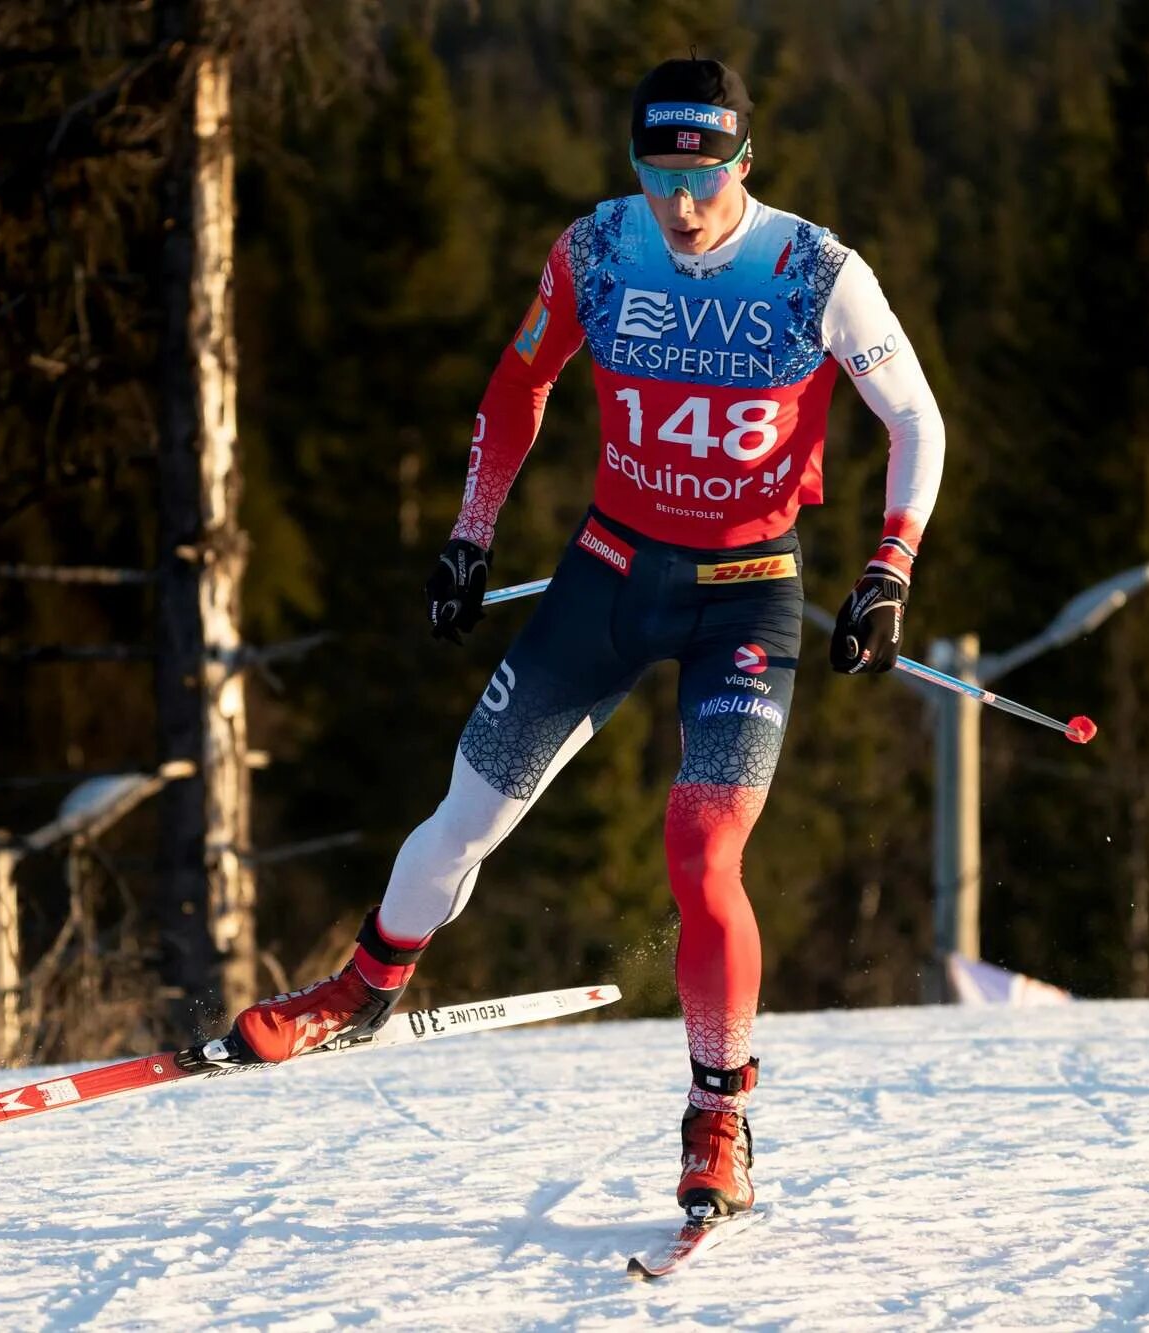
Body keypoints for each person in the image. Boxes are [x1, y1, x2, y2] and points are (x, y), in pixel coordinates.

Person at [221, 57, 945, 1220]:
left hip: (745, 594)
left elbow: (913, 414)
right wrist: (468, 536)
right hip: (608, 573)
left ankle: (717, 1119)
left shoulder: (815, 268)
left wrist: (886, 566)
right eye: (656, 174)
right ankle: (360, 990)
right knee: (467, 811)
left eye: (701, 175)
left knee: (702, 852)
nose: (679, 202)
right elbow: (518, 386)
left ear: (742, 164)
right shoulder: (598, 250)